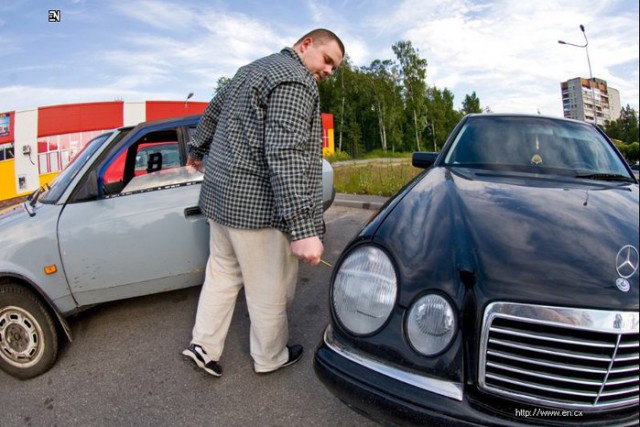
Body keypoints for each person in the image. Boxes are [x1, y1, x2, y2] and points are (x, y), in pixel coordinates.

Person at [182, 29, 345, 376]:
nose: (328, 71)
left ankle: (203, 345)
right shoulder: (296, 80)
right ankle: (270, 357)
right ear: (305, 45)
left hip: (220, 200)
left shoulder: (250, 70)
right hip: (257, 210)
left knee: (222, 273)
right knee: (269, 291)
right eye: (327, 60)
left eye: (334, 68)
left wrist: (196, 149)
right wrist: (303, 228)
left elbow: (213, 111)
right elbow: (286, 153)